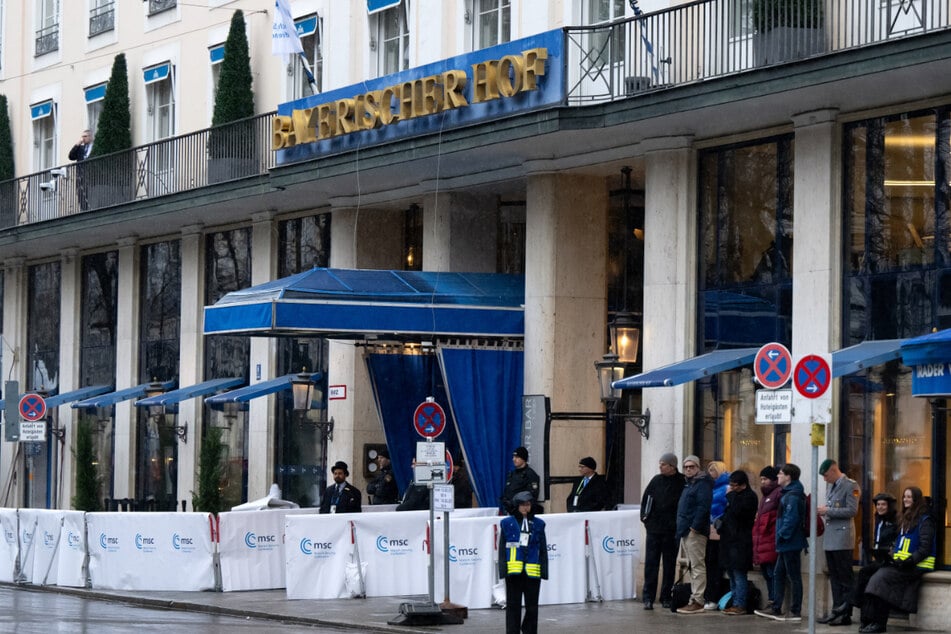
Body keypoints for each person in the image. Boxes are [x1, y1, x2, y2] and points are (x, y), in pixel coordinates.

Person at [858, 487, 935, 633]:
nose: (906, 499)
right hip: (901, 564)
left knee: (879, 579)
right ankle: (869, 621)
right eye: (904, 496)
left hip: (915, 566)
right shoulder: (906, 518)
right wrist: (890, 556)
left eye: (909, 497)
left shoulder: (925, 520)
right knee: (875, 576)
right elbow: (900, 544)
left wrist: (909, 561)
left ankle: (878, 624)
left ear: (916, 499)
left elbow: (925, 548)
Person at [827, 492, 898, 626]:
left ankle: (848, 605)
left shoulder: (895, 521)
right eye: (878, 504)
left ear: (889, 506)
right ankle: (853, 609)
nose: (880, 507)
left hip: (890, 560)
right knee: (863, 575)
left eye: (883, 504)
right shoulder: (879, 519)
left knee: (864, 573)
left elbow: (896, 541)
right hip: (879, 558)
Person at [754, 463, 807, 622]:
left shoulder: (792, 495)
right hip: (786, 543)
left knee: (793, 576)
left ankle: (795, 610)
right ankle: (776, 607)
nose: (778, 476)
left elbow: (791, 519)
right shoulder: (788, 493)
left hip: (790, 543)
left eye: (781, 474)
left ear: (788, 477)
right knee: (779, 573)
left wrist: (781, 535)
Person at [640, 452, 686, 610]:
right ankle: (648, 598)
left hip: (672, 531)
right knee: (651, 564)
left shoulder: (682, 482)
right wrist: (646, 519)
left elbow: (684, 505)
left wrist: (678, 525)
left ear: (672, 466)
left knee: (669, 565)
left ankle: (666, 596)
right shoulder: (656, 480)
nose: (660, 466)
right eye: (660, 463)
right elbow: (646, 500)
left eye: (663, 464)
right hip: (654, 529)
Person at [498, 490, 548, 634]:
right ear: (516, 506)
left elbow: (543, 548)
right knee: (513, 606)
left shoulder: (539, 524)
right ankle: (512, 631)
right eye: (522, 505)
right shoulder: (507, 523)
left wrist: (544, 571)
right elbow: (502, 548)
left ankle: (529, 630)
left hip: (533, 572)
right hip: (514, 572)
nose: (526, 508)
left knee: (532, 607)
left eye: (528, 504)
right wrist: (503, 570)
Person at [816, 458, 860, 623]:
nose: (825, 479)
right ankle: (836, 609)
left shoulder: (851, 485)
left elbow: (852, 510)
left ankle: (845, 613)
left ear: (834, 471)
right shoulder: (831, 486)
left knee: (844, 576)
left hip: (842, 538)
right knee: (834, 576)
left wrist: (828, 510)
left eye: (826, 475)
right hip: (831, 538)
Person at [674, 455, 713, 614]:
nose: (688, 469)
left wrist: (694, 528)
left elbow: (703, 507)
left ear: (698, 468)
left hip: (694, 532)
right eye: (686, 467)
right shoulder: (689, 484)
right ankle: (694, 598)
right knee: (692, 565)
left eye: (692, 467)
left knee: (697, 566)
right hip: (685, 530)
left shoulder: (702, 484)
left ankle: (698, 600)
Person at [718, 469, 758, 615]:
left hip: (741, 541)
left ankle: (740, 604)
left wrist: (730, 496)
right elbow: (728, 514)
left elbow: (737, 512)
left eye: (735, 485)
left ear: (743, 485)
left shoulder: (749, 497)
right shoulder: (734, 496)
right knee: (731, 573)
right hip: (729, 541)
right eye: (731, 485)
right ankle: (734, 601)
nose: (732, 488)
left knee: (739, 573)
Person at [752, 466, 782, 612]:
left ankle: (775, 602)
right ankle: (771, 601)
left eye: (765, 479)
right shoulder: (765, 496)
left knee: (772, 574)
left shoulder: (777, 494)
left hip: (771, 541)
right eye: (761, 479)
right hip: (763, 541)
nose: (762, 482)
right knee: (767, 573)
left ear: (774, 480)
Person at [704, 460, 730, 609]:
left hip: (719, 530)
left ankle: (714, 597)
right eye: (709, 470)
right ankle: (709, 595)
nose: (710, 473)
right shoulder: (710, 487)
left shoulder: (726, 488)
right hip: (708, 529)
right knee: (708, 563)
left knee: (716, 564)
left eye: (713, 470)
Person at [500, 446, 541, 515]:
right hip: (509, 512)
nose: (514, 459)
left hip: (522, 513)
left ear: (523, 459)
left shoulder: (530, 475)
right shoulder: (512, 474)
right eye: (513, 457)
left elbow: (532, 496)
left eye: (517, 457)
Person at [67, 129, 94, 210]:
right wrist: (77, 144)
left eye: (85, 136)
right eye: (82, 136)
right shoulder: (80, 149)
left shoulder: (94, 146)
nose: (83, 138)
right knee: (81, 195)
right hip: (81, 176)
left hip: (91, 176)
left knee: (91, 195)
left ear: (91, 137)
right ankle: (83, 210)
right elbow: (71, 156)